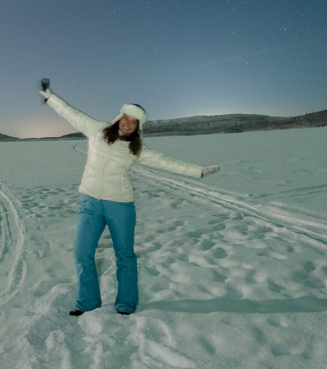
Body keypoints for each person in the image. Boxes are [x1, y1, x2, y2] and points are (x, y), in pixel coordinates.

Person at [41, 83, 219, 316]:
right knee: (81, 252)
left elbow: (166, 162)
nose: (128, 123)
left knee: (124, 255)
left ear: (138, 126)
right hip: (90, 203)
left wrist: (199, 171)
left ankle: (126, 304)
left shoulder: (137, 149)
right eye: (126, 117)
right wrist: (50, 98)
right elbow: (72, 113)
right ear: (119, 117)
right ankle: (87, 303)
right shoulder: (97, 130)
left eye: (134, 121)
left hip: (120, 205)